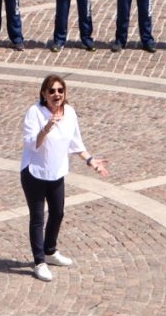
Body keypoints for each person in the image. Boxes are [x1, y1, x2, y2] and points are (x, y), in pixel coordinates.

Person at [20, 74, 108, 282]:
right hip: (35, 173)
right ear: (44, 94)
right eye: (52, 91)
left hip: (56, 173)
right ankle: (39, 261)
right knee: (38, 217)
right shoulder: (34, 112)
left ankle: (50, 251)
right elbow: (32, 143)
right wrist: (48, 127)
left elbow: (75, 143)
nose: (56, 94)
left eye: (60, 90)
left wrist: (91, 161)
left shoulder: (69, 113)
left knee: (58, 213)